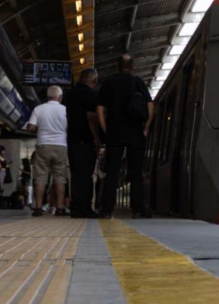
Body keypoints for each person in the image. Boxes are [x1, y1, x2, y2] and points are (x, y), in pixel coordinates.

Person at [98, 55, 154, 218]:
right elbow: (150, 107)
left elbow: (100, 111)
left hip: (114, 133)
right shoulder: (137, 82)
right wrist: (145, 128)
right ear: (133, 67)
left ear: (118, 67)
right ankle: (138, 210)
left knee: (112, 171)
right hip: (135, 133)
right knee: (136, 171)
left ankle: (107, 210)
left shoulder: (108, 83)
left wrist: (106, 131)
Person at [25, 85, 68, 217]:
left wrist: (38, 127)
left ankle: (38, 208)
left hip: (43, 145)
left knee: (40, 178)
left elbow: (30, 127)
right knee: (59, 178)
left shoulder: (38, 109)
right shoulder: (65, 109)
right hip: (61, 146)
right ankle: (59, 208)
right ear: (60, 97)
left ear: (47, 96)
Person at [66, 68, 102, 218]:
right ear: (94, 80)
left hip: (72, 140)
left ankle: (76, 208)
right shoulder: (90, 95)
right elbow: (91, 117)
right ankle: (85, 208)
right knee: (86, 176)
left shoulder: (70, 94)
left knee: (76, 175)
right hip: (85, 140)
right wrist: (96, 138)